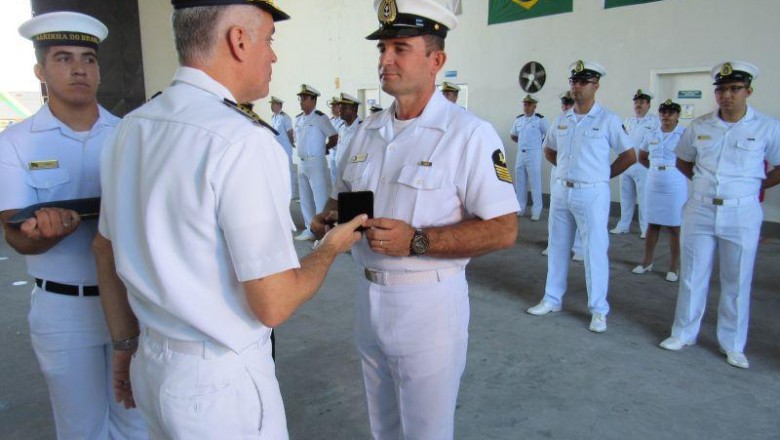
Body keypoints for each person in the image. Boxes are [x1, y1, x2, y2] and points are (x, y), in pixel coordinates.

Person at [92, 2, 365, 438]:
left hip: (153, 363)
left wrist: (124, 347)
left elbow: (104, 251)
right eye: (270, 40)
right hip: (218, 383)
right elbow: (273, 302)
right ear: (239, 41)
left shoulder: (131, 127)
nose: (273, 56)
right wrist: (329, 248)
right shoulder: (242, 141)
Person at [312, 0, 519, 437]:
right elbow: (340, 199)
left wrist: (417, 241)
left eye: (400, 48)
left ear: (436, 60)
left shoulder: (469, 135)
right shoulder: (364, 132)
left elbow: (504, 229)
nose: (385, 60)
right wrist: (328, 220)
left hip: (428, 306)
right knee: (382, 425)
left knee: (427, 430)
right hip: (368, 299)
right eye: (382, 48)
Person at [0, 11, 147, 439]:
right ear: (39, 71)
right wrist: (43, 235)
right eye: (63, 58)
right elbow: (14, 234)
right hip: (64, 308)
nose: (79, 67)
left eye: (88, 58)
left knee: (137, 420)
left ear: (99, 69)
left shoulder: (130, 134)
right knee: (81, 427)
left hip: (132, 297)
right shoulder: (16, 142)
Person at [659, 61, 780, 369]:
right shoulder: (700, 126)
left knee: (737, 280)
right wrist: (703, 184)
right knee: (692, 275)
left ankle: (733, 344)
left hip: (742, 211)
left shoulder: (767, 127)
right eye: (722, 89)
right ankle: (684, 332)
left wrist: (752, 186)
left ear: (748, 91)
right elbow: (683, 161)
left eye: (735, 89)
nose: (727, 95)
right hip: (700, 208)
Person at [526, 60, 636, 333]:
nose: (577, 87)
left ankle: (598, 310)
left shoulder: (608, 119)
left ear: (596, 86)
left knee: (594, 250)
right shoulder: (562, 119)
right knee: (558, 245)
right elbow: (548, 149)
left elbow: (629, 155)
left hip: (592, 192)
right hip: (563, 190)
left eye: (583, 82)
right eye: (574, 82)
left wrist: (601, 175)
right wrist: (565, 169)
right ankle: (552, 298)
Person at [632, 99, 686, 281]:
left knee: (674, 225)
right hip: (654, 180)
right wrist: (657, 169)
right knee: (652, 223)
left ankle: (674, 266)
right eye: (663, 113)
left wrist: (671, 171)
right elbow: (642, 157)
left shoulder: (684, 134)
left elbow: (691, 159)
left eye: (670, 113)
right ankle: (647, 262)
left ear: (677, 115)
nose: (666, 116)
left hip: (674, 181)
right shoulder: (652, 133)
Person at [611, 89, 659, 238]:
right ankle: (623, 225)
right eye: (636, 102)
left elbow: (658, 143)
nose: (638, 105)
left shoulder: (655, 122)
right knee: (626, 197)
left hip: (643, 166)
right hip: (626, 165)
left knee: (644, 199)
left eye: (642, 102)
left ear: (648, 104)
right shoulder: (628, 121)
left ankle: (645, 228)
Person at [294, 84, 338, 241]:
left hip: (317, 163)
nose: (301, 101)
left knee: (320, 199)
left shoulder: (320, 118)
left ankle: (323, 233)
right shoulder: (298, 119)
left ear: (313, 101)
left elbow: (334, 137)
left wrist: (325, 149)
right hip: (302, 162)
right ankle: (309, 230)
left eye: (305, 98)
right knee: (305, 199)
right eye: (300, 98)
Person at [543, 91, 583, 260]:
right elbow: (548, 148)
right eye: (564, 103)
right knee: (556, 211)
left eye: (569, 103)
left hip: (579, 175)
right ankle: (553, 244)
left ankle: (579, 248)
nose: (566, 106)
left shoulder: (583, 122)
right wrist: (563, 167)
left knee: (579, 212)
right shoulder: (559, 121)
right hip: (559, 171)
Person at [511, 94, 549, 221]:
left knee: (535, 182)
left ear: (535, 106)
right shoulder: (518, 120)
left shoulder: (540, 120)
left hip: (534, 154)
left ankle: (536, 210)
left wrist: (537, 144)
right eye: (525, 104)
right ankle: (520, 207)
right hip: (521, 153)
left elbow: (548, 136)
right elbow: (513, 135)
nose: (526, 107)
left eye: (529, 104)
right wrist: (523, 143)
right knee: (520, 181)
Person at [332, 92, 362, 180]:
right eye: (340, 107)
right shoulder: (341, 128)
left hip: (355, 176)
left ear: (354, 109)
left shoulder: (362, 129)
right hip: (340, 173)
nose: (340, 110)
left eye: (344, 107)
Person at [270, 95, 297, 195]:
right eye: (271, 104)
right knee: (280, 168)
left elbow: (290, 132)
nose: (272, 106)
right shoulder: (274, 117)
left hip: (285, 147)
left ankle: (292, 191)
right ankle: (283, 190)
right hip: (277, 147)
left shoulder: (285, 118)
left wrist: (292, 143)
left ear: (279, 105)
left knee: (289, 169)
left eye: (273, 104)